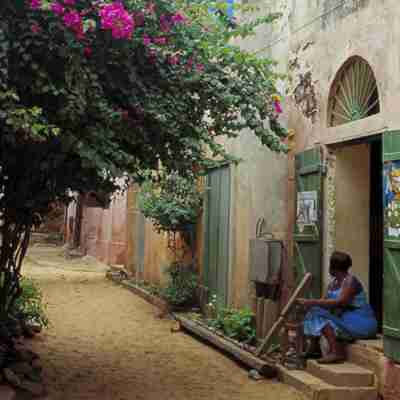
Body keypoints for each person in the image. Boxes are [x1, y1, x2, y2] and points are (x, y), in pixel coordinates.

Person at [297, 251, 378, 364]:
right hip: (345, 320)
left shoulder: (351, 281)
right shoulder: (333, 283)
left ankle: (336, 352)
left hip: (361, 323)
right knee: (314, 311)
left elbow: (341, 302)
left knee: (316, 311)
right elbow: (323, 303)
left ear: (333, 267)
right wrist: (308, 305)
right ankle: (314, 348)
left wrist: (311, 302)